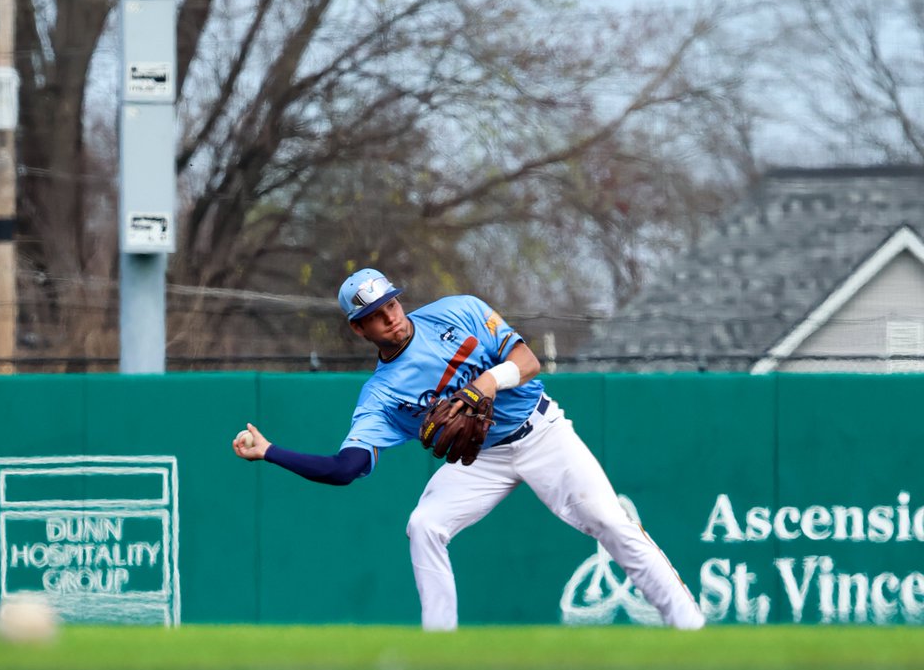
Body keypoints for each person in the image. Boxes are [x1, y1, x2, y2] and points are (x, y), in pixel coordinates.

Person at [233, 268, 704, 631]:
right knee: (424, 525)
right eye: (375, 315)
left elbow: (529, 361)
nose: (390, 317)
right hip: (482, 461)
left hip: (541, 432)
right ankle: (441, 647)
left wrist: (483, 385)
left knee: (608, 520)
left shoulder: (458, 311)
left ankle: (689, 625)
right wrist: (271, 451)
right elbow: (345, 468)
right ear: (360, 330)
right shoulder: (380, 396)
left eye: (391, 304)